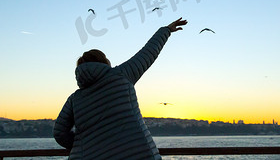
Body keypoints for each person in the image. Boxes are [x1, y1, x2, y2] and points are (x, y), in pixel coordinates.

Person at [53, 17, 188, 160]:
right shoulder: (122, 74)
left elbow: (59, 133)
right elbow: (148, 53)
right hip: (137, 154)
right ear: (104, 62)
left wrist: (88, 143)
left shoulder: (75, 99)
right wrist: (166, 30)